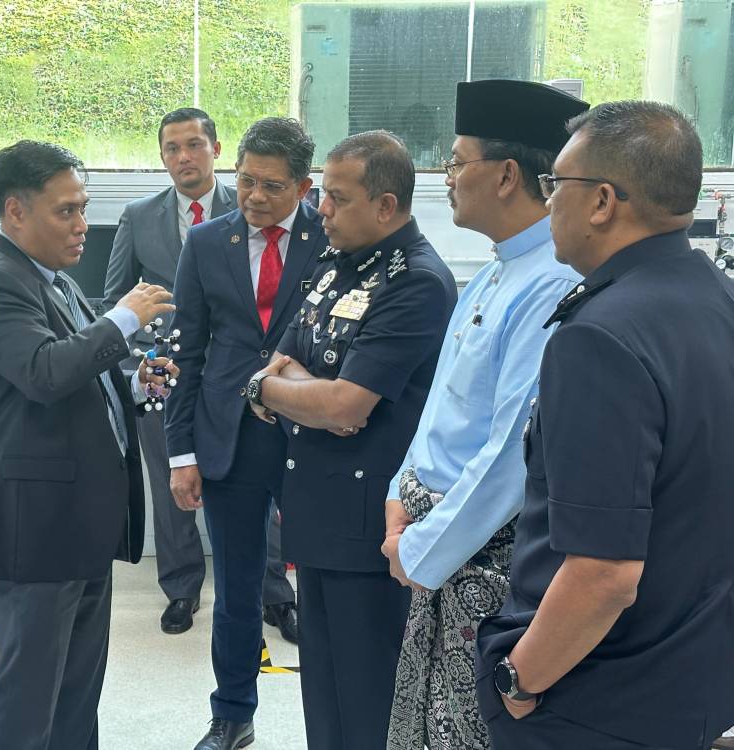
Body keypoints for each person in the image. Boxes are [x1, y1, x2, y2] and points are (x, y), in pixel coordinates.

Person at [476, 101, 734, 749]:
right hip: (690, 676)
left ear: (602, 202)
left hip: (592, 699)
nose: (547, 202)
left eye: (556, 185)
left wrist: (520, 680)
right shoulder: (714, 298)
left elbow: (602, 575)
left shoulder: (602, 338)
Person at [380, 79, 588, 750]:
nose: (447, 174)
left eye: (458, 158)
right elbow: (442, 404)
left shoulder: (552, 282)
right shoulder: (497, 271)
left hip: (482, 562)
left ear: (506, 175)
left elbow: (511, 455)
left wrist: (419, 547)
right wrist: (397, 495)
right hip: (433, 539)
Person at [246, 130, 456, 750]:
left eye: (336, 199)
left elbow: (346, 404)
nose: (321, 213)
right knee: (325, 698)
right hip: (315, 509)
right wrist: (287, 392)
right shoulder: (338, 262)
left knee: (368, 702)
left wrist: (293, 394)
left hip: (369, 527)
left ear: (386, 206)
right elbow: (278, 363)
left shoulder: (414, 281)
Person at [0, 140, 177, 750]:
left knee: (78, 689)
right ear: (14, 213)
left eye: (83, 209)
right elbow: (44, 371)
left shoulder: (53, 281)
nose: (83, 226)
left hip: (78, 522)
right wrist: (123, 318)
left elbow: (81, 377)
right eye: (66, 212)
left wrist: (134, 385)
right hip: (37, 528)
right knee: (29, 694)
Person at [103, 107, 297, 640]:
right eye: (171, 148)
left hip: (249, 381)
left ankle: (275, 594)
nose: (183, 156)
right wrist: (138, 365)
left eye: (193, 144)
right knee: (174, 489)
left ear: (216, 149)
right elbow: (115, 299)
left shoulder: (260, 206)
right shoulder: (138, 216)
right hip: (166, 372)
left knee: (264, 487)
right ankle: (182, 588)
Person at [165, 117, 324, 750]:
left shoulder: (330, 237)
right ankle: (231, 713)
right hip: (229, 434)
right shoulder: (207, 243)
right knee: (234, 588)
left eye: (272, 186)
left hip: (311, 435)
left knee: (326, 578)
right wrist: (183, 453)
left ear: (305, 187)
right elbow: (187, 354)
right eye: (246, 180)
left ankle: (334, 710)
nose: (255, 197)